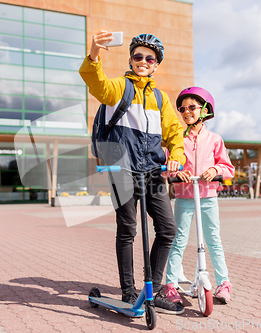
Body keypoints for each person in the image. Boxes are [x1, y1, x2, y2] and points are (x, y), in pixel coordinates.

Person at [79, 31, 186, 314]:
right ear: (130, 59)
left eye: (149, 58)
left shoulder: (160, 99)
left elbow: (174, 134)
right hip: (122, 168)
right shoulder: (119, 88)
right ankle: (128, 292)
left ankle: (155, 289)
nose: (143, 61)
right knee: (127, 229)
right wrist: (94, 56)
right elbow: (97, 84)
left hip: (152, 170)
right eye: (138, 56)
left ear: (156, 64)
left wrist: (176, 156)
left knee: (167, 229)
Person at [164, 87, 235, 305]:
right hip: (185, 197)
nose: (186, 112)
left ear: (205, 110)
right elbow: (168, 166)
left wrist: (215, 170)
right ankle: (170, 284)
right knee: (179, 240)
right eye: (182, 109)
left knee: (213, 240)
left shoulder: (215, 139)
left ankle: (224, 283)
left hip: (208, 197)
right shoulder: (178, 139)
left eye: (192, 107)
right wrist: (177, 172)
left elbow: (228, 168)